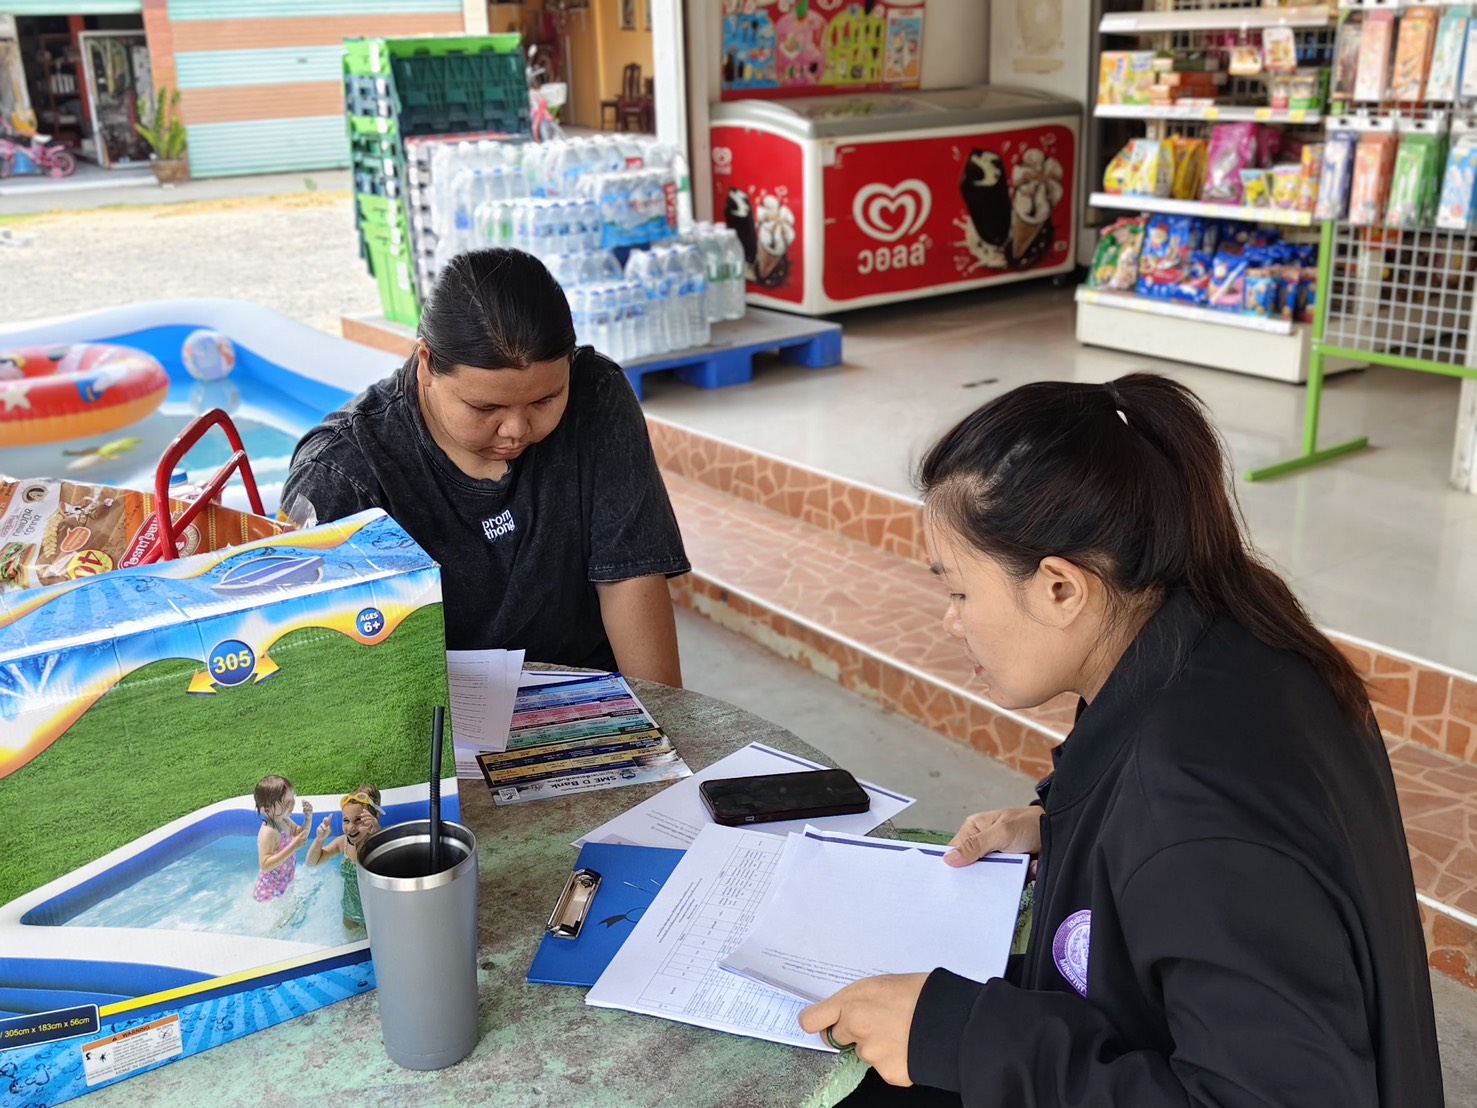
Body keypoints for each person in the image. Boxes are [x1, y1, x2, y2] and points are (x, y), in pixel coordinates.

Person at [799, 374, 1444, 1106]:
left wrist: (961, 1036)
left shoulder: (1194, 808)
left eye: (958, 591)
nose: (951, 621)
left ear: (1060, 588)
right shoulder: (1228, 636)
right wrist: (1078, 835)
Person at [282, 248, 689, 685]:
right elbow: (317, 663)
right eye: (485, 407)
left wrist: (662, 720)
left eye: (545, 400)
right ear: (426, 365)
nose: (516, 430)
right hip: (435, 713)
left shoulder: (596, 397)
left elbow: (630, 578)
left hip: (591, 692)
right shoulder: (343, 474)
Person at [307, 785, 382, 928]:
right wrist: (319, 840)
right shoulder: (343, 843)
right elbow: (312, 862)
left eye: (358, 820)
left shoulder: (380, 844)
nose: (350, 827)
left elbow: (393, 871)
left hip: (375, 914)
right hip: (350, 912)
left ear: (375, 817)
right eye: (346, 820)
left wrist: (378, 834)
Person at [254, 774, 311, 903]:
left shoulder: (284, 820)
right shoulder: (268, 832)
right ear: (266, 808)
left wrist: (308, 818)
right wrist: (293, 846)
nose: (292, 804)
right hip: (269, 892)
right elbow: (265, 865)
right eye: (286, 802)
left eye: (292, 798)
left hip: (284, 883)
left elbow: (302, 836)